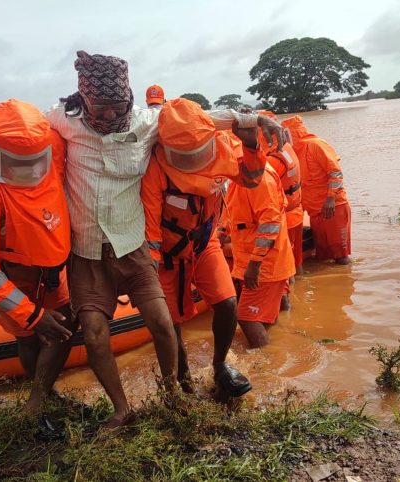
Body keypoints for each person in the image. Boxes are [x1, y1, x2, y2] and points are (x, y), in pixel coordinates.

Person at [45, 50, 284, 428]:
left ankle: (215, 369)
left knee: (222, 304)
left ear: (130, 99)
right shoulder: (65, 121)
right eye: (99, 107)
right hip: (112, 251)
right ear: (84, 100)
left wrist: (253, 121)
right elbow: (27, 132)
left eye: (116, 106)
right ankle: (176, 386)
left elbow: (204, 120)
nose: (108, 115)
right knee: (157, 322)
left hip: (171, 245)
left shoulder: (150, 125)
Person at [0, 99, 75, 419]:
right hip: (11, 275)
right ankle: (37, 401)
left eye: (34, 160)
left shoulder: (52, 144)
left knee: (64, 325)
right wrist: (32, 315)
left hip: (50, 267)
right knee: (29, 335)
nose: (28, 169)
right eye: (17, 162)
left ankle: (44, 393)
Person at [141, 98, 267, 396]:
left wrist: (251, 147)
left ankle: (220, 366)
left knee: (227, 303)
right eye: (184, 156)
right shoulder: (156, 167)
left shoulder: (223, 147)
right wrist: (151, 264)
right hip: (169, 256)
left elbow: (251, 179)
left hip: (204, 244)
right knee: (168, 323)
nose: (193, 161)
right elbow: (150, 226)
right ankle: (182, 379)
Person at [224, 163, 296, 348]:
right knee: (260, 318)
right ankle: (274, 353)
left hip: (265, 264)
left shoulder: (260, 180)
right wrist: (220, 233)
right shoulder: (238, 178)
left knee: (247, 318)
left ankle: (264, 366)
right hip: (254, 259)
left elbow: (270, 224)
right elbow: (234, 214)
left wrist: (254, 265)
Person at [282, 115, 351, 265]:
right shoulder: (291, 153)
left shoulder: (316, 145)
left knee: (341, 256)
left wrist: (331, 198)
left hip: (332, 207)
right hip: (314, 210)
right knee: (323, 256)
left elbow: (335, 172)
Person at [256, 111, 304, 310]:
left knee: (283, 269)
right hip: (295, 212)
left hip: (282, 218)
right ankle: (299, 293)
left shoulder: (273, 159)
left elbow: (264, 192)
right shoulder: (287, 149)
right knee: (294, 264)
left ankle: (285, 307)